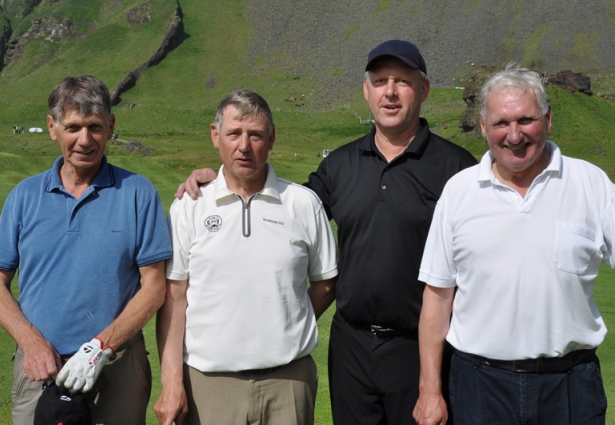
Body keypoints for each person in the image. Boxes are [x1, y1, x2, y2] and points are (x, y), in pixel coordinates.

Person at [176, 41, 477, 425]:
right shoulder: (340, 165)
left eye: (402, 81)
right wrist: (220, 179)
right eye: (380, 81)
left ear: (424, 90)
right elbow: (283, 208)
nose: (390, 92)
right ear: (366, 91)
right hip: (351, 347)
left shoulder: (456, 168)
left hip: (419, 345)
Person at [414, 65, 612, 425]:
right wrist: (429, 391)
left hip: (570, 386)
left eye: (526, 120)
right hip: (479, 387)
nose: (515, 135)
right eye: (501, 123)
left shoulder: (591, 184)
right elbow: (437, 297)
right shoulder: (459, 192)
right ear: (483, 125)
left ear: (548, 118)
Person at [0, 75, 172, 425]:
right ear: (52, 128)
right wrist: (32, 343)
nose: (85, 140)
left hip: (116, 367)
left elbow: (155, 286)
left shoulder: (138, 194)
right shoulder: (24, 196)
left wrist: (101, 347)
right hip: (40, 367)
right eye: (73, 127)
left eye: (95, 127)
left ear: (111, 127)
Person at [154, 90, 338, 425]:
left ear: (272, 138)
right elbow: (174, 299)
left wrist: (288, 321)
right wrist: (171, 384)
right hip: (209, 385)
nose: (244, 146)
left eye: (255, 135)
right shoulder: (189, 206)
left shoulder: (303, 204)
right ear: (215, 136)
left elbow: (326, 282)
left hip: (288, 384)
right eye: (234, 134)